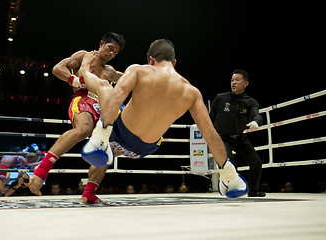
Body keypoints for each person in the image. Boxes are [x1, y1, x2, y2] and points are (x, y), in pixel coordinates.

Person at [79, 39, 248, 203]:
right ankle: (230, 177)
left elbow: (117, 97)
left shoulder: (138, 71)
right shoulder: (192, 92)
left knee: (106, 88)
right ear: (174, 62)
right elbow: (209, 133)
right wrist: (226, 170)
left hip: (120, 132)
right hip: (146, 148)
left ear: (151, 60)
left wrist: (86, 66)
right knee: (111, 150)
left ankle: (99, 138)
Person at [29, 32, 126, 195]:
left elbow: (127, 78)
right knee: (84, 129)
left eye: (115, 52)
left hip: (103, 106)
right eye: (110, 48)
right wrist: (75, 80)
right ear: (101, 44)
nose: (111, 54)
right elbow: (57, 68)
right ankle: (42, 170)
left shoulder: (110, 71)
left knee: (109, 149)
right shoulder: (84, 56)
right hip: (83, 100)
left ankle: (89, 194)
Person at [209, 69, 265, 197]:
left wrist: (256, 122)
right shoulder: (221, 98)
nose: (233, 83)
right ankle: (233, 189)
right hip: (222, 137)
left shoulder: (250, 102)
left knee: (256, 162)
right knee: (230, 163)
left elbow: (257, 115)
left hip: (240, 138)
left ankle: (252, 191)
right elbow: (210, 117)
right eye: (232, 80)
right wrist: (211, 136)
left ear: (245, 83)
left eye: (237, 80)